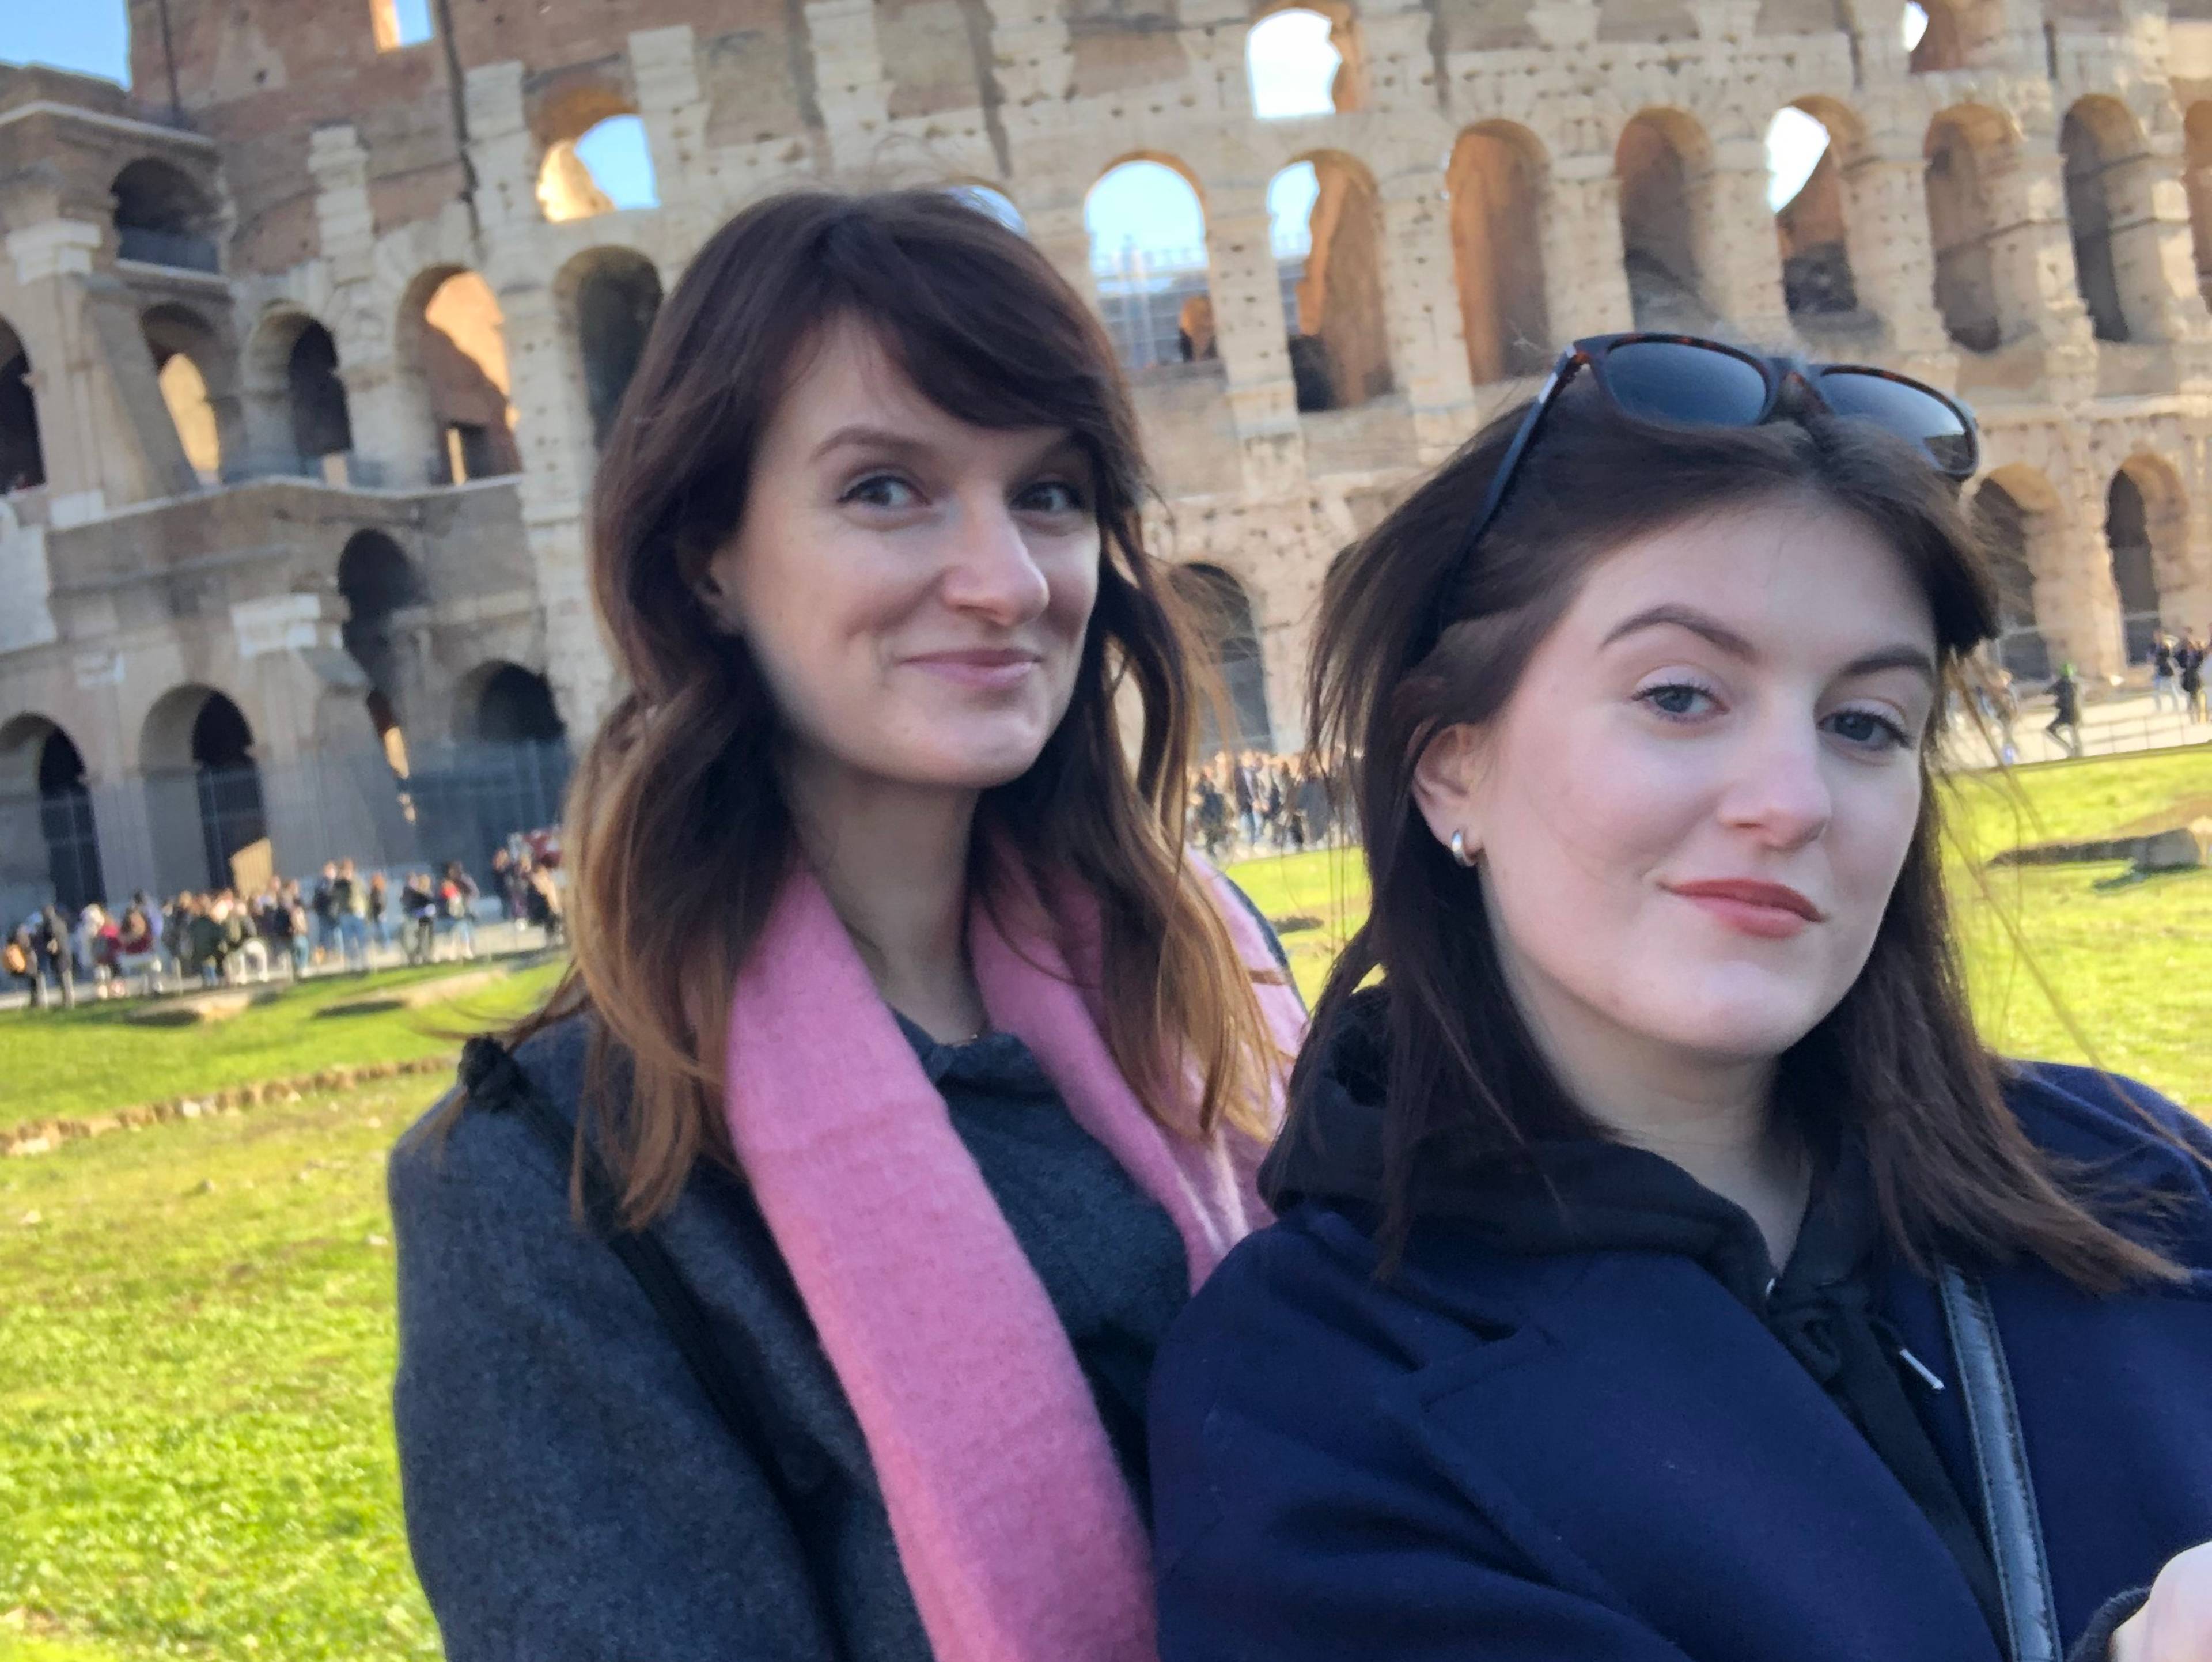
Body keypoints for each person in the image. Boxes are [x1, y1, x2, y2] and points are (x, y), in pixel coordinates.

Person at [1149, 336, 2212, 1662]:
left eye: (1865, 722)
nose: (1792, 800)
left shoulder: (2146, 1178)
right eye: (1679, 695)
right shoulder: (1304, 1392)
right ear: (1449, 768)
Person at [387, 189, 1304, 1662]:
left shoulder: (1210, 963)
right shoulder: (547, 1184)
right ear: (709, 557)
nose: (1005, 580)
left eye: (1050, 493)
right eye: (886, 489)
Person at [2047, 660, 2084, 758]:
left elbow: (2048, 692)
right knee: (2075, 734)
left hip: (2064, 714)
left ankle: (2070, 749)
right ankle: (2078, 752)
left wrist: (2056, 703)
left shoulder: (2060, 684)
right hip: (2075, 713)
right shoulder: (2076, 684)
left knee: (2051, 730)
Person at [2150, 633, 2179, 714]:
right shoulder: (2155, 647)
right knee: (2156, 692)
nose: (2157, 638)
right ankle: (2159, 708)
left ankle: (2176, 707)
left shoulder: (2166, 646)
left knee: (2171, 690)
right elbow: (2153, 658)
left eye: (2159, 636)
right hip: (2158, 671)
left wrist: (2166, 647)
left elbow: (2168, 655)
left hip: (2166, 671)